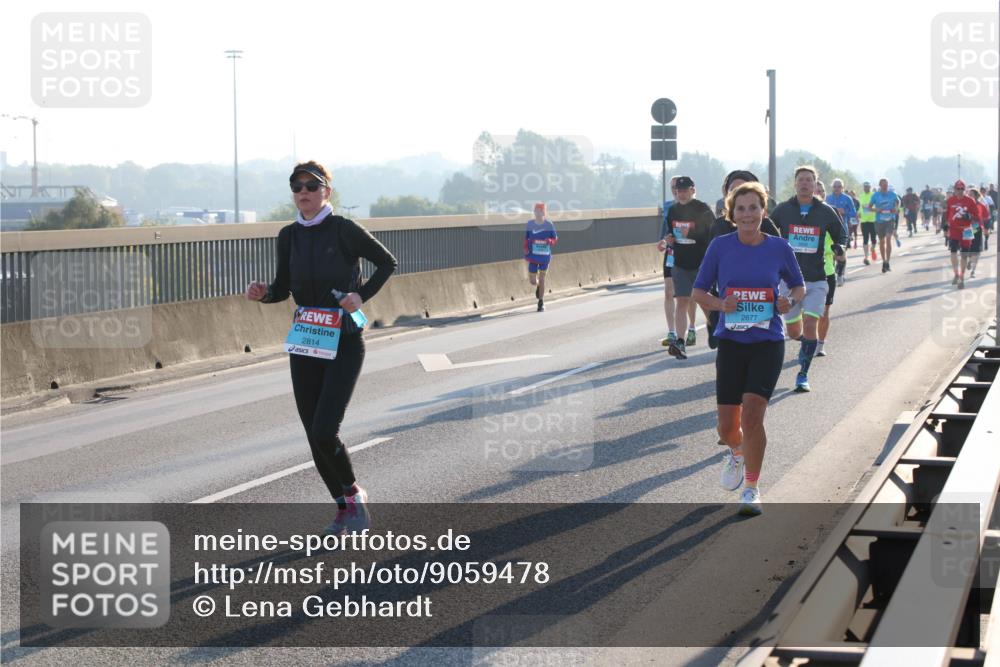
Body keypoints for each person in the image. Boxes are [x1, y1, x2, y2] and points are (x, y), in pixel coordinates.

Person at [246, 161, 398, 534]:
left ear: (326, 191)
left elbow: (387, 263)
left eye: (311, 186)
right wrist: (265, 294)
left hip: (344, 339)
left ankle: (354, 494)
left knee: (325, 430)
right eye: (297, 186)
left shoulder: (344, 229)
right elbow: (283, 287)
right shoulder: (288, 235)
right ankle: (343, 508)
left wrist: (360, 296)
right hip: (306, 341)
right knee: (313, 433)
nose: (303, 192)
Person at [693, 181, 805, 516]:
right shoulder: (720, 247)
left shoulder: (779, 247)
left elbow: (798, 287)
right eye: (740, 209)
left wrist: (788, 302)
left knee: (753, 416)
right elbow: (699, 292)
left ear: (763, 211)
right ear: (732, 214)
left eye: (753, 208)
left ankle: (752, 488)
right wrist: (720, 304)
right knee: (728, 428)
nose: (747, 215)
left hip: (768, 342)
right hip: (731, 342)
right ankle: (737, 452)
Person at [771, 166, 847, 392]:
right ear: (795, 183)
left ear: (815, 184)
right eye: (801, 180)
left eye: (809, 180)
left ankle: (803, 374)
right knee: (794, 332)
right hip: (789, 281)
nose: (805, 183)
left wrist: (839, 247)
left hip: (816, 279)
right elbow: (766, 232)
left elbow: (841, 234)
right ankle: (807, 342)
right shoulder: (783, 210)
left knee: (812, 323)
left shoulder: (825, 211)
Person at [706, 170, 781, 349]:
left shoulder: (766, 225)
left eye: (744, 188)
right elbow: (706, 269)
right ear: (726, 194)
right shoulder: (718, 226)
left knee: (759, 346)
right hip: (727, 296)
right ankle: (712, 323)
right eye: (733, 190)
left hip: (759, 297)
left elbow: (781, 259)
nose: (739, 193)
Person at [663, 176, 715, 359]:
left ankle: (714, 328)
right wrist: (670, 239)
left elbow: (713, 234)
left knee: (704, 301)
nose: (682, 194)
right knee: (682, 301)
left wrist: (691, 233)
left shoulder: (702, 209)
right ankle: (680, 342)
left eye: (685, 190)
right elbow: (671, 233)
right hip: (680, 263)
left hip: (701, 263)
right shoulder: (673, 211)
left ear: (693, 190)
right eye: (679, 191)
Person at [945, 179, 983, 289]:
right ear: (954, 189)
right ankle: (956, 274)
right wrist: (945, 227)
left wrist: (969, 216)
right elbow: (946, 215)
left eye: (962, 188)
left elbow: (977, 216)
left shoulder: (970, 201)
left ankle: (961, 277)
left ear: (964, 189)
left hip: (967, 230)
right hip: (954, 230)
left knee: (964, 255)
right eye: (958, 188)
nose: (960, 190)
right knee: (953, 251)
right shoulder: (950, 201)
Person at [657, 176, 681, 347]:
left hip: (689, 254)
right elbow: (664, 228)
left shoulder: (696, 207)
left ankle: (690, 328)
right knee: (668, 291)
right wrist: (662, 241)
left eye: (678, 187)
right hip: (671, 253)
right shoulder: (667, 206)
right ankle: (672, 332)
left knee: (685, 296)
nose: (675, 190)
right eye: (673, 187)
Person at [524, 202, 558, 311]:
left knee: (542, 278)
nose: (538, 213)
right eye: (536, 211)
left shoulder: (549, 225)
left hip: (544, 257)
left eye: (540, 211)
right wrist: (526, 247)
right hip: (533, 257)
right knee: (533, 281)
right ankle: (538, 285)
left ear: (544, 212)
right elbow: (526, 238)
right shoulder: (530, 224)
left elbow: (555, 239)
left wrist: (550, 241)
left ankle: (541, 302)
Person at [866, 178, 901, 272]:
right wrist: (876, 210)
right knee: (882, 242)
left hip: (890, 220)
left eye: (886, 185)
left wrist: (896, 208)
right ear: (880, 185)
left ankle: (887, 262)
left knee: (888, 239)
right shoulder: (876, 195)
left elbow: (898, 202)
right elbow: (869, 208)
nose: (885, 186)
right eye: (883, 185)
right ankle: (884, 261)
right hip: (879, 221)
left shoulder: (892, 194)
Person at [825, 179, 856, 286]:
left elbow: (853, 213)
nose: (837, 188)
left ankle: (840, 273)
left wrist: (844, 211)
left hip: (843, 229)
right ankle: (832, 274)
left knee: (841, 253)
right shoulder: (828, 198)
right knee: (832, 253)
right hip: (829, 231)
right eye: (835, 186)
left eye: (839, 186)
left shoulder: (847, 198)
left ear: (842, 188)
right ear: (832, 187)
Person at [857, 181, 878, 264]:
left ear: (870, 187)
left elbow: (877, 206)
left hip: (873, 220)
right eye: (865, 186)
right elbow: (860, 207)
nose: (866, 188)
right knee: (865, 239)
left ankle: (872, 249)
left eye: (867, 186)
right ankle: (866, 257)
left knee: (873, 239)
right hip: (864, 221)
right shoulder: (861, 196)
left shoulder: (874, 195)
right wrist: (858, 213)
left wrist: (872, 209)